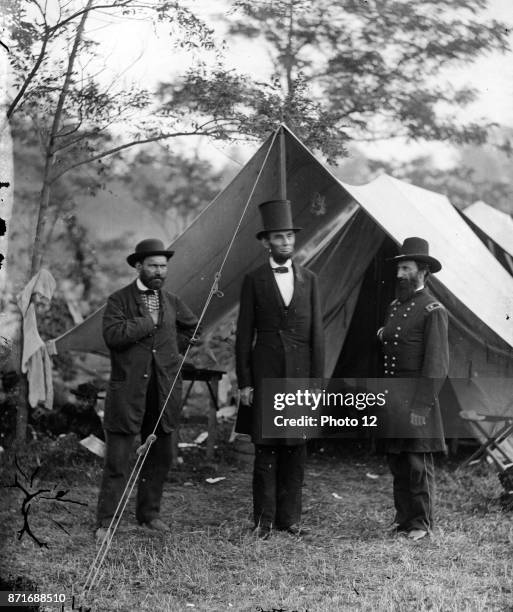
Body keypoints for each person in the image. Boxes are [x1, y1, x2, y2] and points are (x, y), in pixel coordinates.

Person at [95, 239, 198, 541]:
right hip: (128, 392)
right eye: (152, 265)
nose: (159, 271)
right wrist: (147, 322)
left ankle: (148, 514)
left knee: (160, 455)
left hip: (163, 390)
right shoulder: (119, 300)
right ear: (138, 266)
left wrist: (172, 350)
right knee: (118, 459)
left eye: (163, 266)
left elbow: (193, 327)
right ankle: (106, 522)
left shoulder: (172, 301)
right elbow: (113, 336)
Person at [235, 200, 324, 539]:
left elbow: (318, 334)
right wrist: (245, 382)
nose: (286, 243)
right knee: (267, 449)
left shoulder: (311, 279)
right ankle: (264, 521)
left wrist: (317, 382)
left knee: (296, 450)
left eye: (289, 236)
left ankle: (291, 519)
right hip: (265, 373)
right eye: (279, 237)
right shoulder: (253, 280)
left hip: (301, 376)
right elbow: (244, 335)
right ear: (266, 242)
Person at [377, 237, 449, 541]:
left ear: (423, 272)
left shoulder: (433, 310)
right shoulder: (395, 306)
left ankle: (421, 523)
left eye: (405, 268)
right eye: (398, 268)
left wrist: (422, 405)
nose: (399, 274)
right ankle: (403, 518)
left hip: (417, 398)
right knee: (397, 460)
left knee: (417, 463)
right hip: (393, 397)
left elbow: (436, 365)